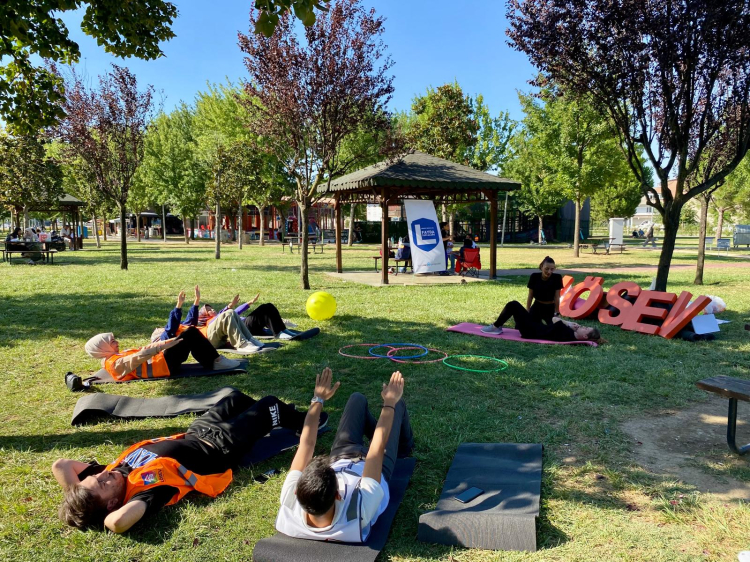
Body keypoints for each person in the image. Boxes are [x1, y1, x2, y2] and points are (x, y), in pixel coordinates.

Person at [53, 385, 328, 532]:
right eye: (102, 484)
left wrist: (78, 495)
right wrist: (102, 517)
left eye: (95, 477)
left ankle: (275, 416)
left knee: (234, 396)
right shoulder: (146, 492)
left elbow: (61, 465)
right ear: (113, 503)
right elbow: (118, 523)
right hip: (222, 445)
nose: (102, 475)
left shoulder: (111, 473)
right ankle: (305, 421)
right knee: (269, 404)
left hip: (198, 431)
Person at [275, 369, 414, 543]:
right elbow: (376, 450)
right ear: (338, 496)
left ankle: (384, 428)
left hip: (342, 456)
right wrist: (389, 402)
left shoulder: (290, 501)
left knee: (357, 399)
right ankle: (404, 446)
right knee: (397, 405)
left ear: (296, 491)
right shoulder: (360, 509)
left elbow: (306, 444)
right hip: (376, 467)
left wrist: (318, 399)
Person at [86, 324, 240, 382]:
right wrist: (162, 347)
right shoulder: (115, 364)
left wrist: (167, 342)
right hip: (165, 366)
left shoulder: (116, 357)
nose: (117, 342)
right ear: (103, 348)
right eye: (112, 342)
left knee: (188, 334)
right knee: (191, 333)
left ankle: (213, 361)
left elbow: (144, 349)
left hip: (164, 362)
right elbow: (139, 356)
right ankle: (215, 362)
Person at [151, 288, 280, 355]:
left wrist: (196, 300)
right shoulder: (168, 335)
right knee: (228, 313)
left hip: (213, 337)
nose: (212, 310)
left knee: (231, 312)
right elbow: (171, 325)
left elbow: (191, 318)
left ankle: (250, 339)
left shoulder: (184, 325)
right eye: (208, 310)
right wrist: (178, 305)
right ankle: (242, 345)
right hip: (208, 341)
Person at [481, 300, 601, 343]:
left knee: (513, 304)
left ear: (585, 336)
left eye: (585, 329)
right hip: (536, 327)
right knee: (539, 307)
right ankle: (502, 325)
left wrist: (568, 323)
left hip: (530, 331)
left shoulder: (567, 333)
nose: (583, 327)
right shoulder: (570, 334)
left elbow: (554, 319)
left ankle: (496, 327)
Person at [526, 256, 564, 325]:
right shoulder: (534, 277)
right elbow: (530, 296)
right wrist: (528, 309)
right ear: (541, 267)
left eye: (552, 269)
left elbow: (556, 297)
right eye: (547, 269)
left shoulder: (557, 278)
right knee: (527, 325)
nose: (549, 272)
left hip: (550, 307)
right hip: (537, 306)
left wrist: (556, 313)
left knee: (554, 327)